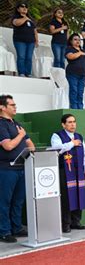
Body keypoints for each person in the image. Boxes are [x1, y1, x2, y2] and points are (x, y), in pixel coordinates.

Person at [0, 95, 34, 243]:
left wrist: (27, 144)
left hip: (21, 167)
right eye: (12, 105)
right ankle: (4, 231)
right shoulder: (1, 125)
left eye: (15, 104)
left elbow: (31, 144)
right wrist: (20, 135)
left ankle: (17, 227)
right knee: (4, 201)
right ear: (2, 107)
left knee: (18, 201)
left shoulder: (17, 123)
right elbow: (8, 146)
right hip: (6, 169)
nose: (15, 107)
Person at [51, 114, 85, 233]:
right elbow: (56, 149)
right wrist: (72, 144)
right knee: (67, 197)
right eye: (70, 122)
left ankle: (76, 222)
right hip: (65, 171)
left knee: (79, 194)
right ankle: (65, 224)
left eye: (74, 122)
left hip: (79, 170)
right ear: (63, 124)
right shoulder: (57, 135)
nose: (73, 124)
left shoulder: (79, 136)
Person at [11, 2, 38, 77]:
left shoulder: (31, 20)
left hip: (31, 41)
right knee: (21, 57)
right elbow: (17, 23)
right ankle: (21, 73)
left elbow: (35, 30)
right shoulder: (16, 17)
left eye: (26, 7)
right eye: (22, 7)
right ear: (18, 9)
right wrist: (25, 18)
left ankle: (28, 73)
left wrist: (36, 40)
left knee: (29, 58)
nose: (25, 8)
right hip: (19, 40)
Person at [65, 33, 85, 110]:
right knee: (74, 91)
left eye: (79, 40)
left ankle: (80, 108)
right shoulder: (69, 49)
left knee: (80, 92)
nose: (77, 41)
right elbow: (70, 56)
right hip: (72, 73)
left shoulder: (83, 50)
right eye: (75, 39)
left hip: (82, 74)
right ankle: (74, 108)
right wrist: (79, 53)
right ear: (71, 41)